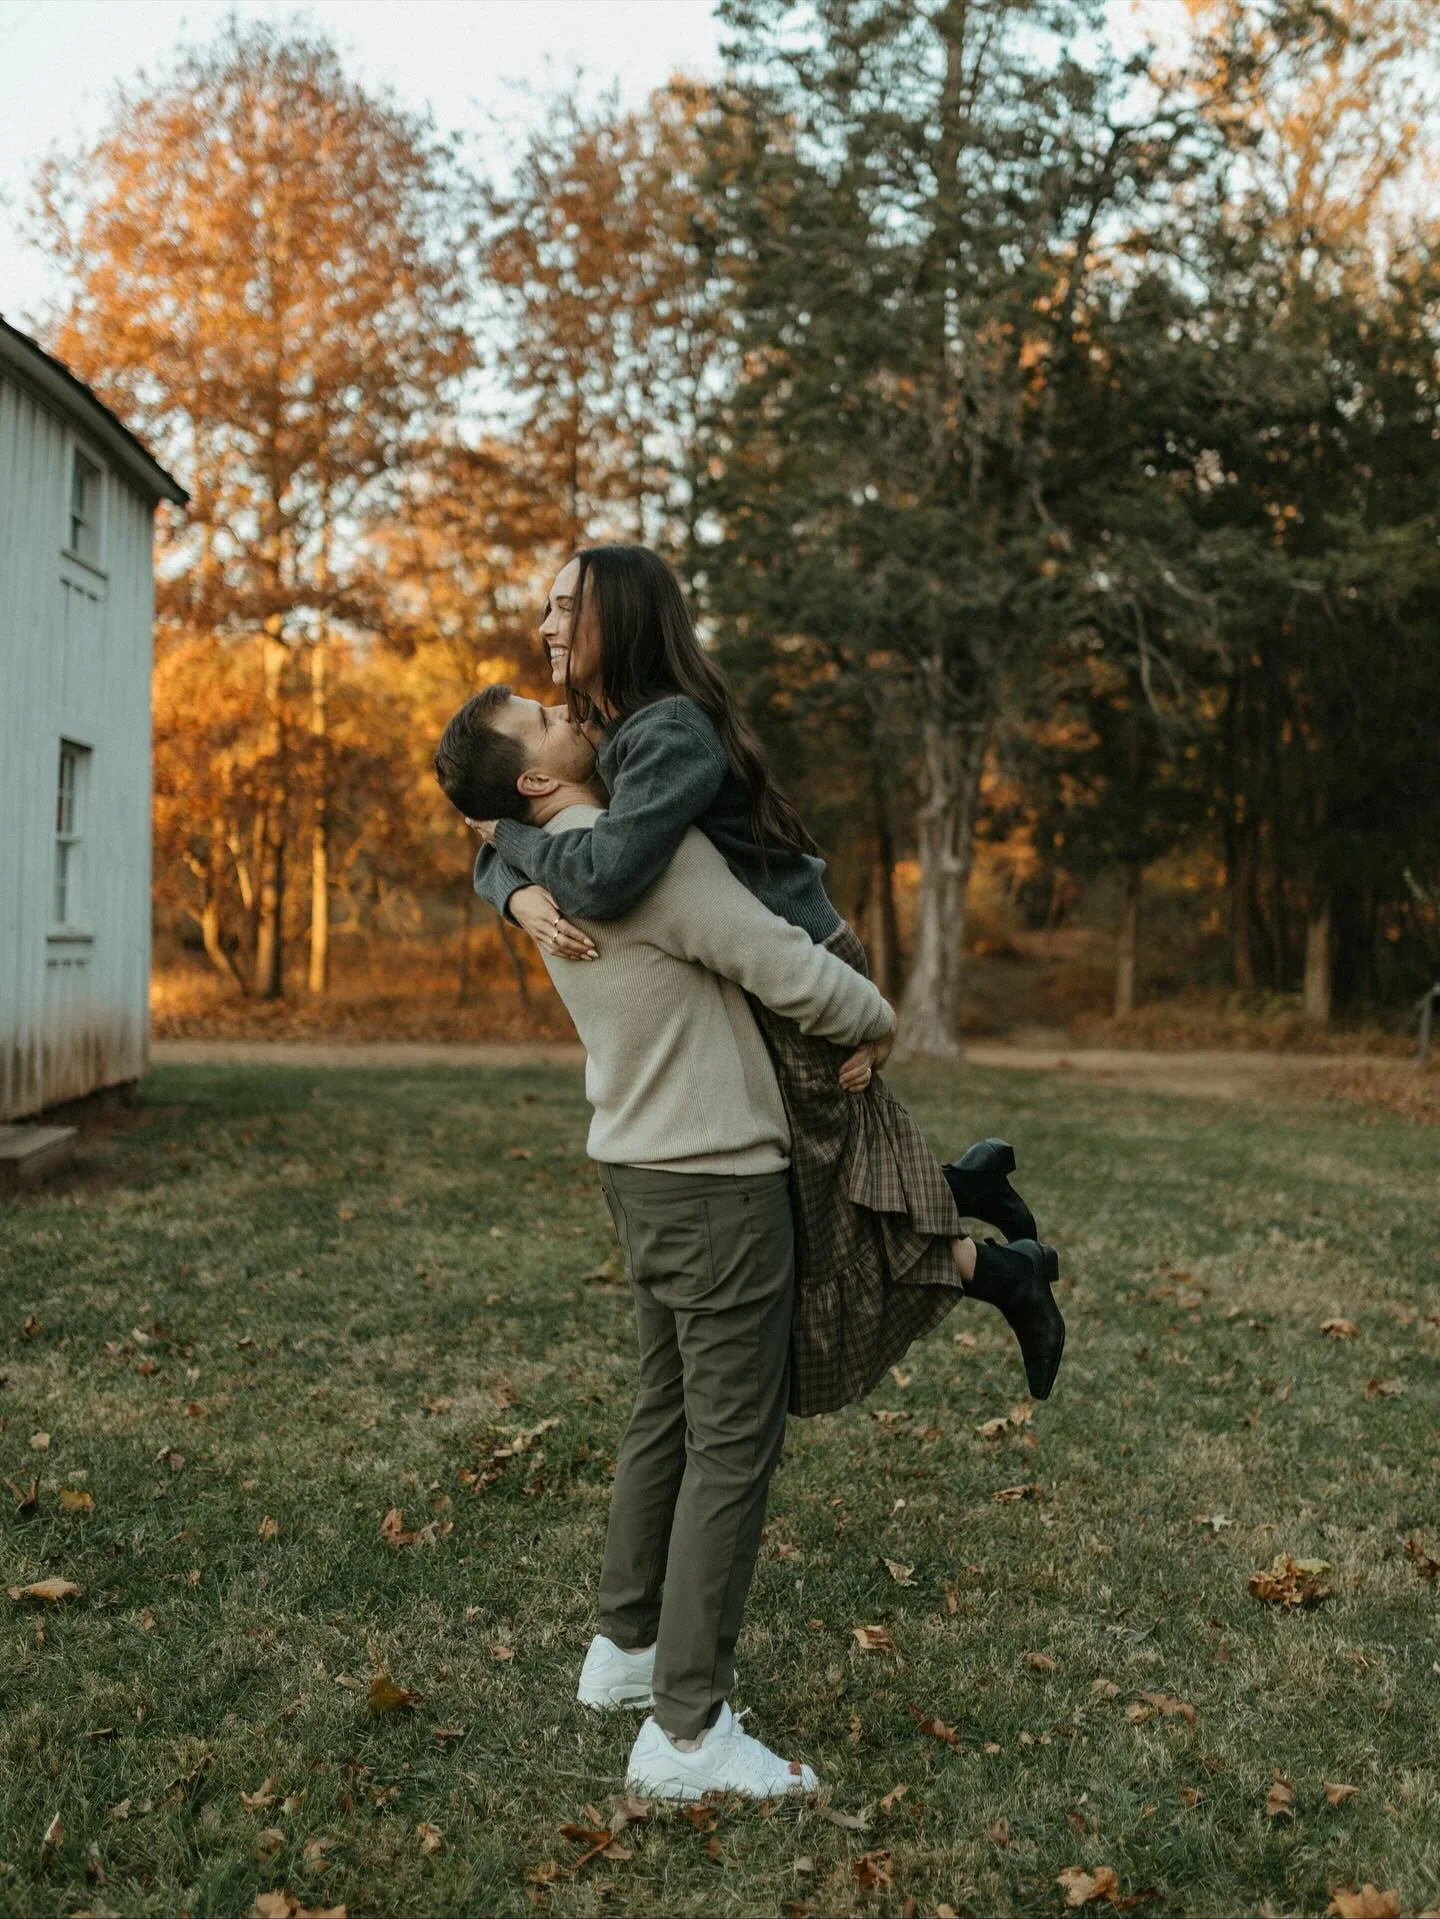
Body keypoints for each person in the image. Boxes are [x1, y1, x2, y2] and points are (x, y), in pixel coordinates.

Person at [465, 544, 1064, 1414]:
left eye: (563, 606)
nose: (543, 625)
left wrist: (506, 852)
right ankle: (971, 1195)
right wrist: (511, 887)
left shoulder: (665, 732)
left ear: (618, 617)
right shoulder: (610, 723)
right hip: (771, 970)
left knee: (824, 1228)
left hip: (806, 970)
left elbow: (598, 871)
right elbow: (509, 814)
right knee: (826, 1202)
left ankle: (1007, 1270)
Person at [435, 683, 902, 1798]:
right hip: (715, 1179)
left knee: (668, 1406)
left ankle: (626, 1651)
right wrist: (878, 1017)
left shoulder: (546, 866)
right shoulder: (639, 857)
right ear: (539, 777)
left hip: (640, 1167)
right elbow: (783, 964)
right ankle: (688, 1732)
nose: (562, 704)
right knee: (732, 1443)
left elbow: (497, 847)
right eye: (540, 715)